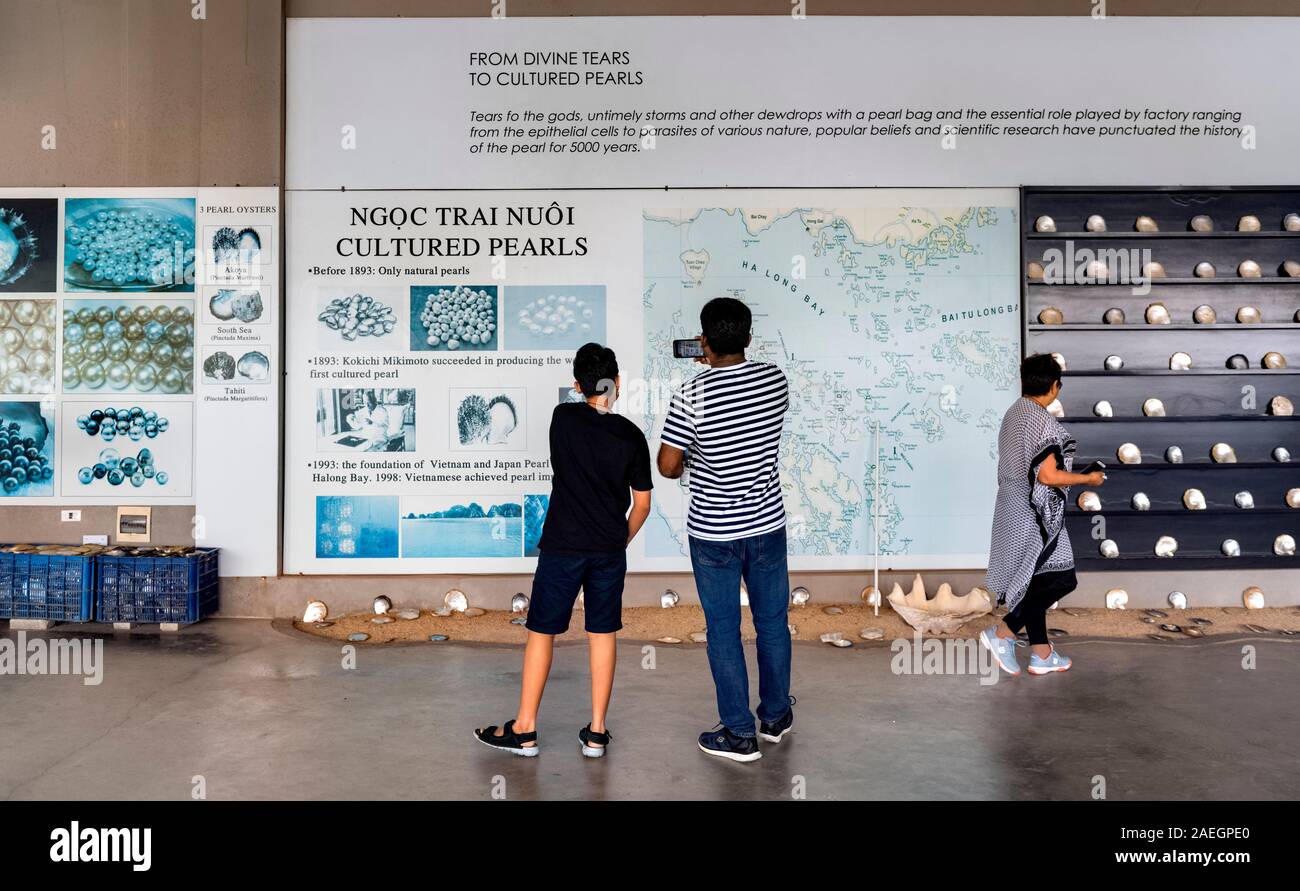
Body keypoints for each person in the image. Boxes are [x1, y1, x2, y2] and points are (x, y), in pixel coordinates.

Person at [475, 343, 652, 758]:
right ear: (618, 383)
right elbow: (641, 504)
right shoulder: (631, 436)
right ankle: (596, 733)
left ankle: (525, 729)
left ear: (577, 386)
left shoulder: (563, 417)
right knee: (602, 633)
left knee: (542, 631)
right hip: (608, 549)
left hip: (562, 547)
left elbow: (584, 412)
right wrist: (617, 540)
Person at [657, 297, 792, 763]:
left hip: (714, 533)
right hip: (767, 526)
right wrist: (721, 361)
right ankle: (775, 717)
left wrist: (708, 369)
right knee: (773, 623)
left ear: (704, 340)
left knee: (723, 631)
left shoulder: (690, 394)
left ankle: (738, 733)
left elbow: (669, 466)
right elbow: (748, 416)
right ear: (749, 338)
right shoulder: (776, 381)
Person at [980, 353, 1104, 677]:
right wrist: (1088, 479)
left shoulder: (1013, 413)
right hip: (1033, 514)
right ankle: (1003, 633)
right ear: (1054, 386)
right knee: (1061, 578)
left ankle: (1041, 653)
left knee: (1036, 580)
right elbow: (1047, 476)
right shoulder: (1039, 418)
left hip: (1009, 507)